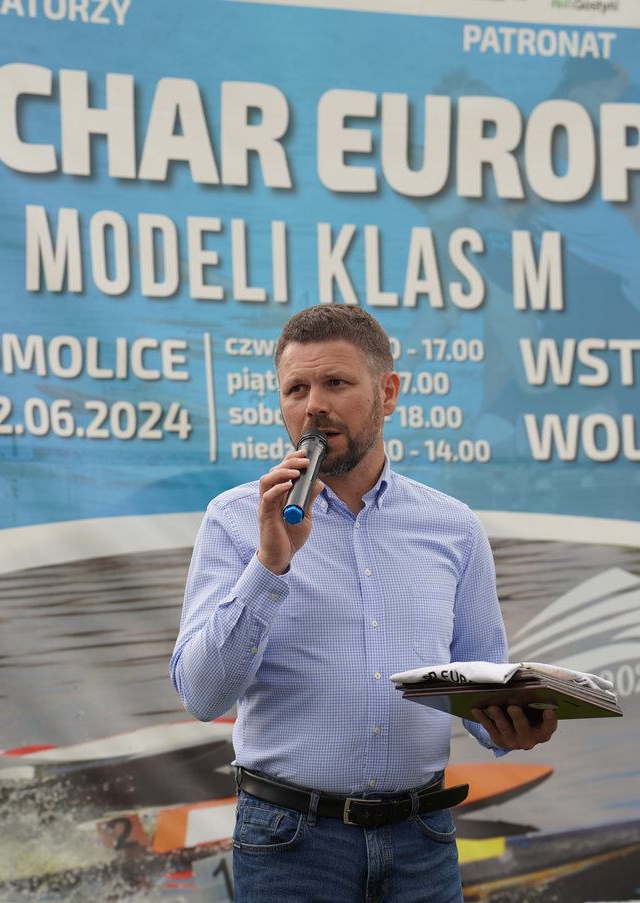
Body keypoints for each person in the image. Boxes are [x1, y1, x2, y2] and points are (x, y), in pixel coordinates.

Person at [170, 305, 556, 902]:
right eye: (296, 389)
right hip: (289, 845)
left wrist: (510, 727)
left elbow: (480, 681)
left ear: (388, 393)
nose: (314, 406)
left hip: (422, 841)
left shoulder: (453, 528)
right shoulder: (236, 520)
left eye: (336, 383)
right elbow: (202, 695)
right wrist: (269, 565)